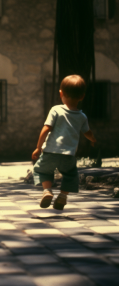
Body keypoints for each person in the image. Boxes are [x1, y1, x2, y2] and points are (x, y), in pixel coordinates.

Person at [32, 75, 97, 210]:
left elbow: (45, 129)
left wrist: (38, 148)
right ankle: (62, 196)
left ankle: (47, 191)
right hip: (69, 154)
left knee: (42, 170)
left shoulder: (56, 110)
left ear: (61, 93)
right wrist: (93, 140)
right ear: (82, 96)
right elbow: (87, 132)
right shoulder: (82, 116)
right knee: (71, 175)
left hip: (50, 151)